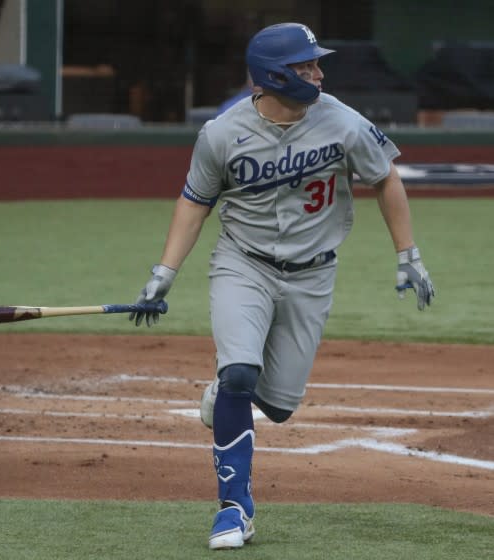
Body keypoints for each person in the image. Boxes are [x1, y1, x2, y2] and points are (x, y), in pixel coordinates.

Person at [129, 23, 434, 550]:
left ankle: (224, 395)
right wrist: (164, 273)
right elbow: (195, 201)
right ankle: (234, 510)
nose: (318, 72)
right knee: (241, 373)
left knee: (278, 405)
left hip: (313, 274)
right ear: (273, 75)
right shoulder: (222, 134)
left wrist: (409, 255)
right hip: (242, 264)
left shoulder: (343, 122)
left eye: (316, 63)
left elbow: (384, 178)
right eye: (305, 66)